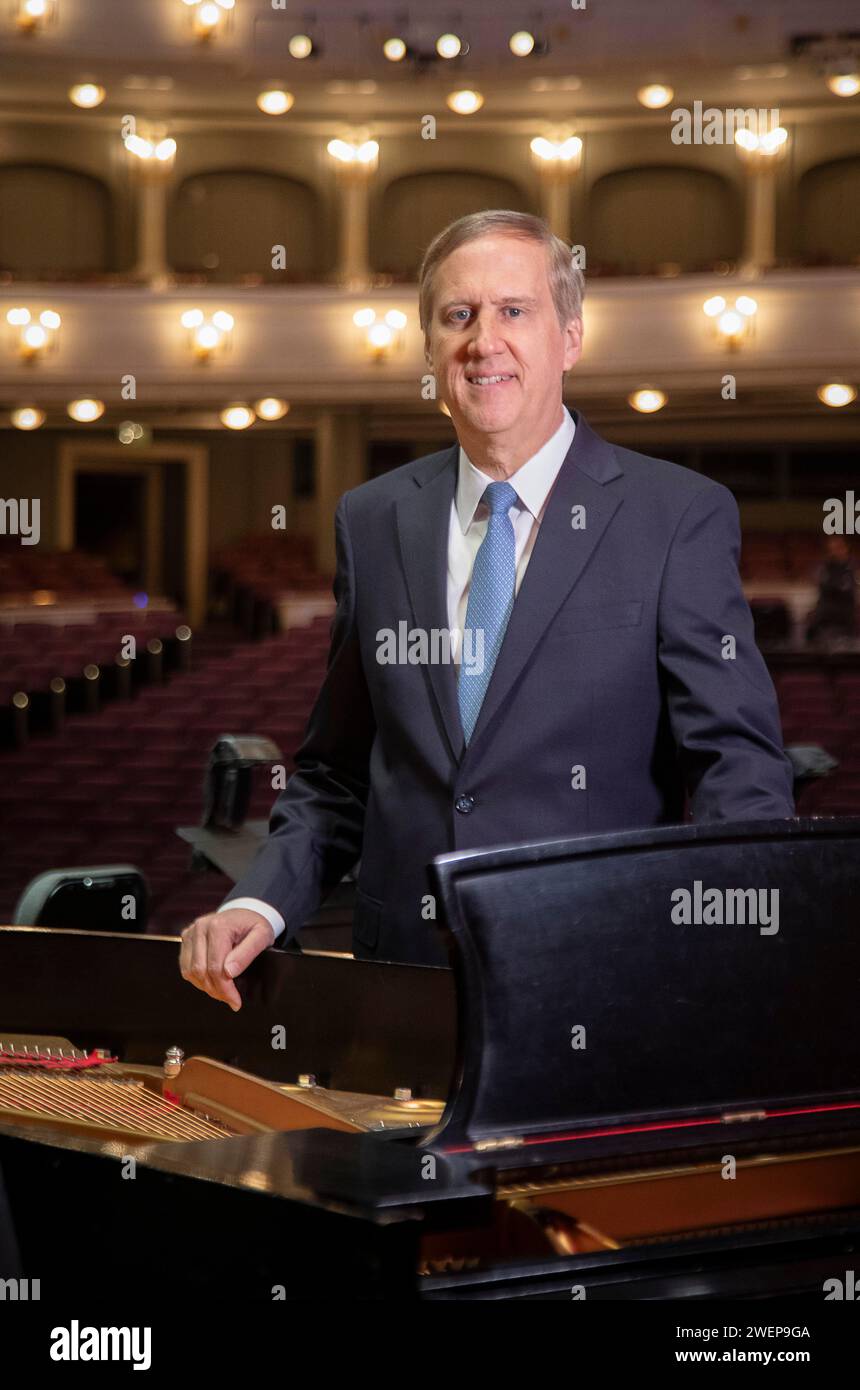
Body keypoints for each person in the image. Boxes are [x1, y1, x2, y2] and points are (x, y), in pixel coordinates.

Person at [180, 209, 795, 1007]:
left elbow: (735, 765)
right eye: (458, 316)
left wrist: (733, 937)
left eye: (514, 311)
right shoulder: (372, 520)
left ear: (570, 336)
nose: (483, 340)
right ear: (430, 349)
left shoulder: (675, 516)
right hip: (400, 983)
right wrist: (257, 903)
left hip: (602, 975)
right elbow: (336, 772)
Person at [805, 535, 857, 645]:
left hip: (844, 615)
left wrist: (831, 586)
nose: (835, 552)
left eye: (838, 548)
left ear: (845, 548)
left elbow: (844, 589)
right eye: (831, 549)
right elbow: (820, 582)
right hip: (825, 615)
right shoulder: (824, 567)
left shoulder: (851, 567)